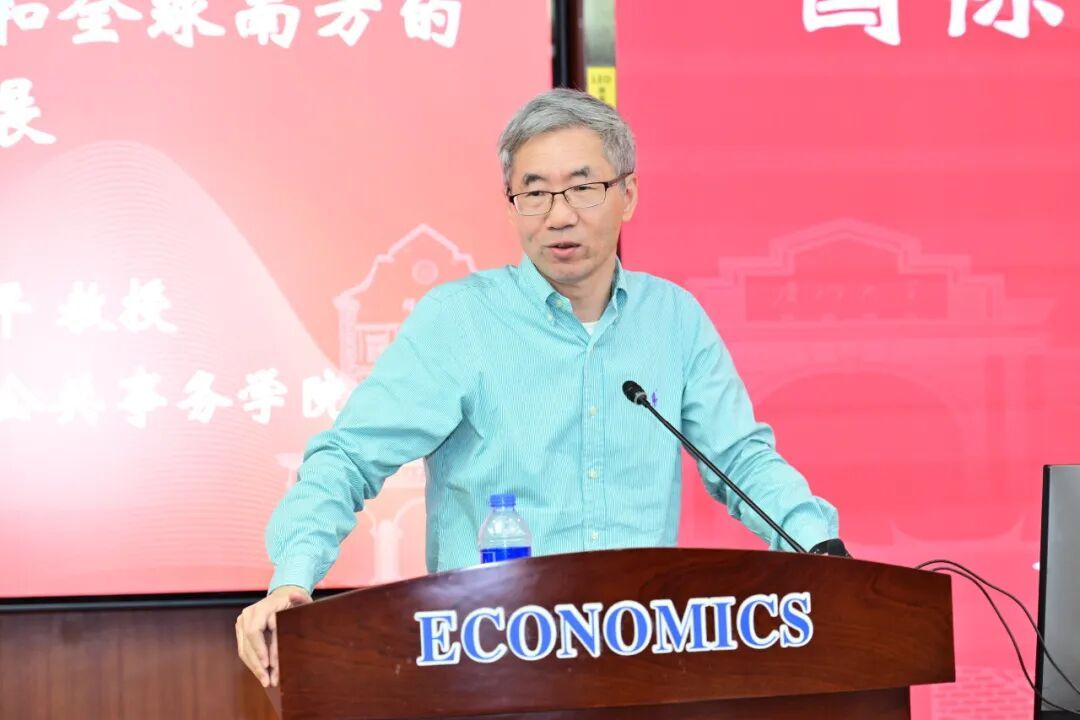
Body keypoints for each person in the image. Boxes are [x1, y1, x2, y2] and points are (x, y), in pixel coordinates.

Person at [235, 88, 843, 687]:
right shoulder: (459, 321)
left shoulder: (673, 319)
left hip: (642, 658)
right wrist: (292, 578)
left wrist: (822, 551)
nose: (559, 215)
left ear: (628, 195)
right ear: (511, 205)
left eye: (583, 188)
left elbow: (740, 459)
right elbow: (348, 457)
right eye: (534, 193)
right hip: (488, 659)